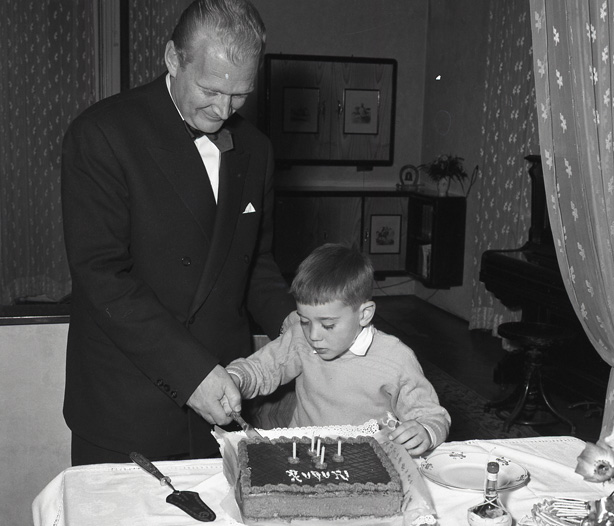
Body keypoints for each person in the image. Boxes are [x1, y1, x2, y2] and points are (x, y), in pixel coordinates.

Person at [61, 0, 295, 466]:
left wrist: (294, 325)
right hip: (126, 404)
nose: (224, 109)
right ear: (173, 58)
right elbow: (103, 276)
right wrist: (191, 376)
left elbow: (255, 263)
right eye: (210, 89)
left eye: (240, 95)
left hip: (224, 397)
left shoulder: (256, 148)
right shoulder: (102, 133)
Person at [227, 244, 451, 456]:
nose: (313, 335)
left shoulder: (396, 358)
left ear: (364, 314)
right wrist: (235, 379)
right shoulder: (299, 339)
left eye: (328, 325)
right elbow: (261, 369)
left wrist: (424, 431)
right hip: (305, 453)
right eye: (304, 321)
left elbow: (431, 415)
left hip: (367, 461)